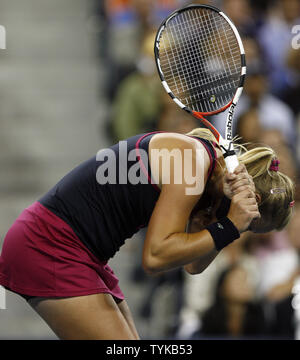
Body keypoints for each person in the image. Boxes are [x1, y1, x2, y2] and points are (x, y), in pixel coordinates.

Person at [0, 129, 294, 339]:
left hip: (82, 254)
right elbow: (155, 257)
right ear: (250, 198)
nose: (244, 229)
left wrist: (227, 227)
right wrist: (229, 225)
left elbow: (192, 264)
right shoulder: (193, 161)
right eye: (251, 225)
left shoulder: (211, 184)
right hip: (47, 245)